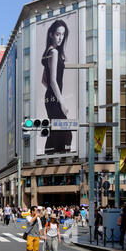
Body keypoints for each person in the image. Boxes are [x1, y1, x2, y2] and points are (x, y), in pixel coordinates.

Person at [41, 19, 72, 154]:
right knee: (65, 132)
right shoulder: (54, 53)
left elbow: (44, 80)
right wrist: (62, 103)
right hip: (54, 99)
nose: (60, 38)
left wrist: (52, 93)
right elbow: (52, 81)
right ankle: (56, 159)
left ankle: (49, 156)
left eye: (63, 34)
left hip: (50, 98)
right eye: (58, 34)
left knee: (56, 131)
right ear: (51, 34)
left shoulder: (49, 51)